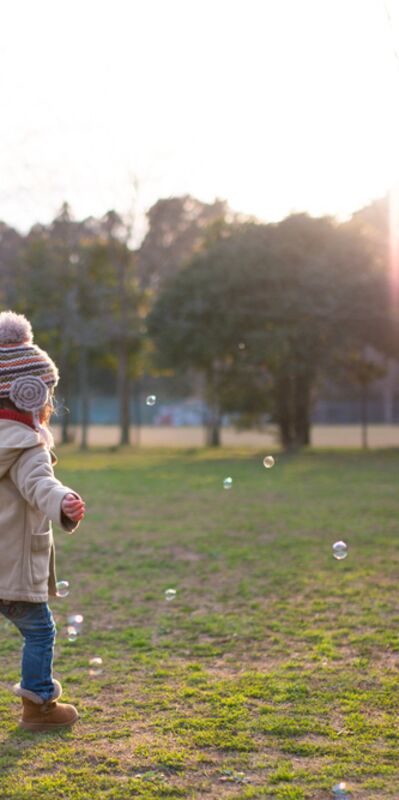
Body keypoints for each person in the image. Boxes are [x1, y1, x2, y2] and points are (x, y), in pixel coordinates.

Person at [0, 310, 85, 732]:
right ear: (29, 395)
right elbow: (39, 484)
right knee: (41, 632)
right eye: (48, 392)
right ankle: (39, 708)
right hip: (12, 570)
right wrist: (64, 501)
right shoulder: (28, 444)